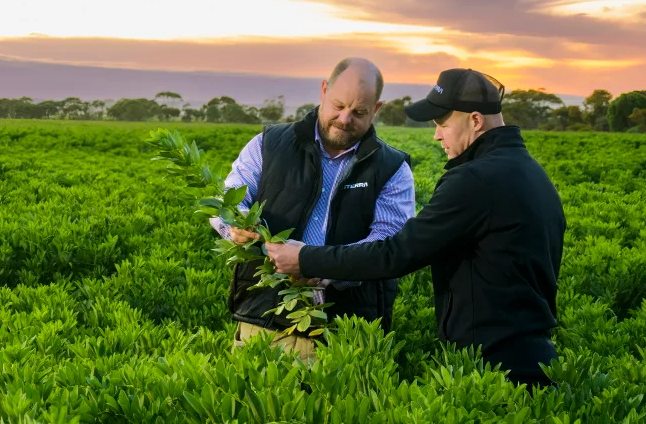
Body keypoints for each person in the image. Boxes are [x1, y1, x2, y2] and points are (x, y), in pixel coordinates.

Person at [267, 67, 564, 386]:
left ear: (475, 121)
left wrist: (306, 258)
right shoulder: (534, 174)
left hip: (494, 365)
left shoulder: (475, 179)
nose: (437, 135)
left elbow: (396, 254)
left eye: (443, 124)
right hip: (534, 355)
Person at [217, 57, 415, 361]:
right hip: (263, 321)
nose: (345, 118)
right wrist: (234, 225)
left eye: (359, 112)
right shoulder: (268, 144)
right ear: (324, 91)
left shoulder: (392, 168)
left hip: (346, 334)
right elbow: (227, 201)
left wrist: (322, 266)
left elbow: (389, 245)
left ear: (376, 109)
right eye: (338, 105)